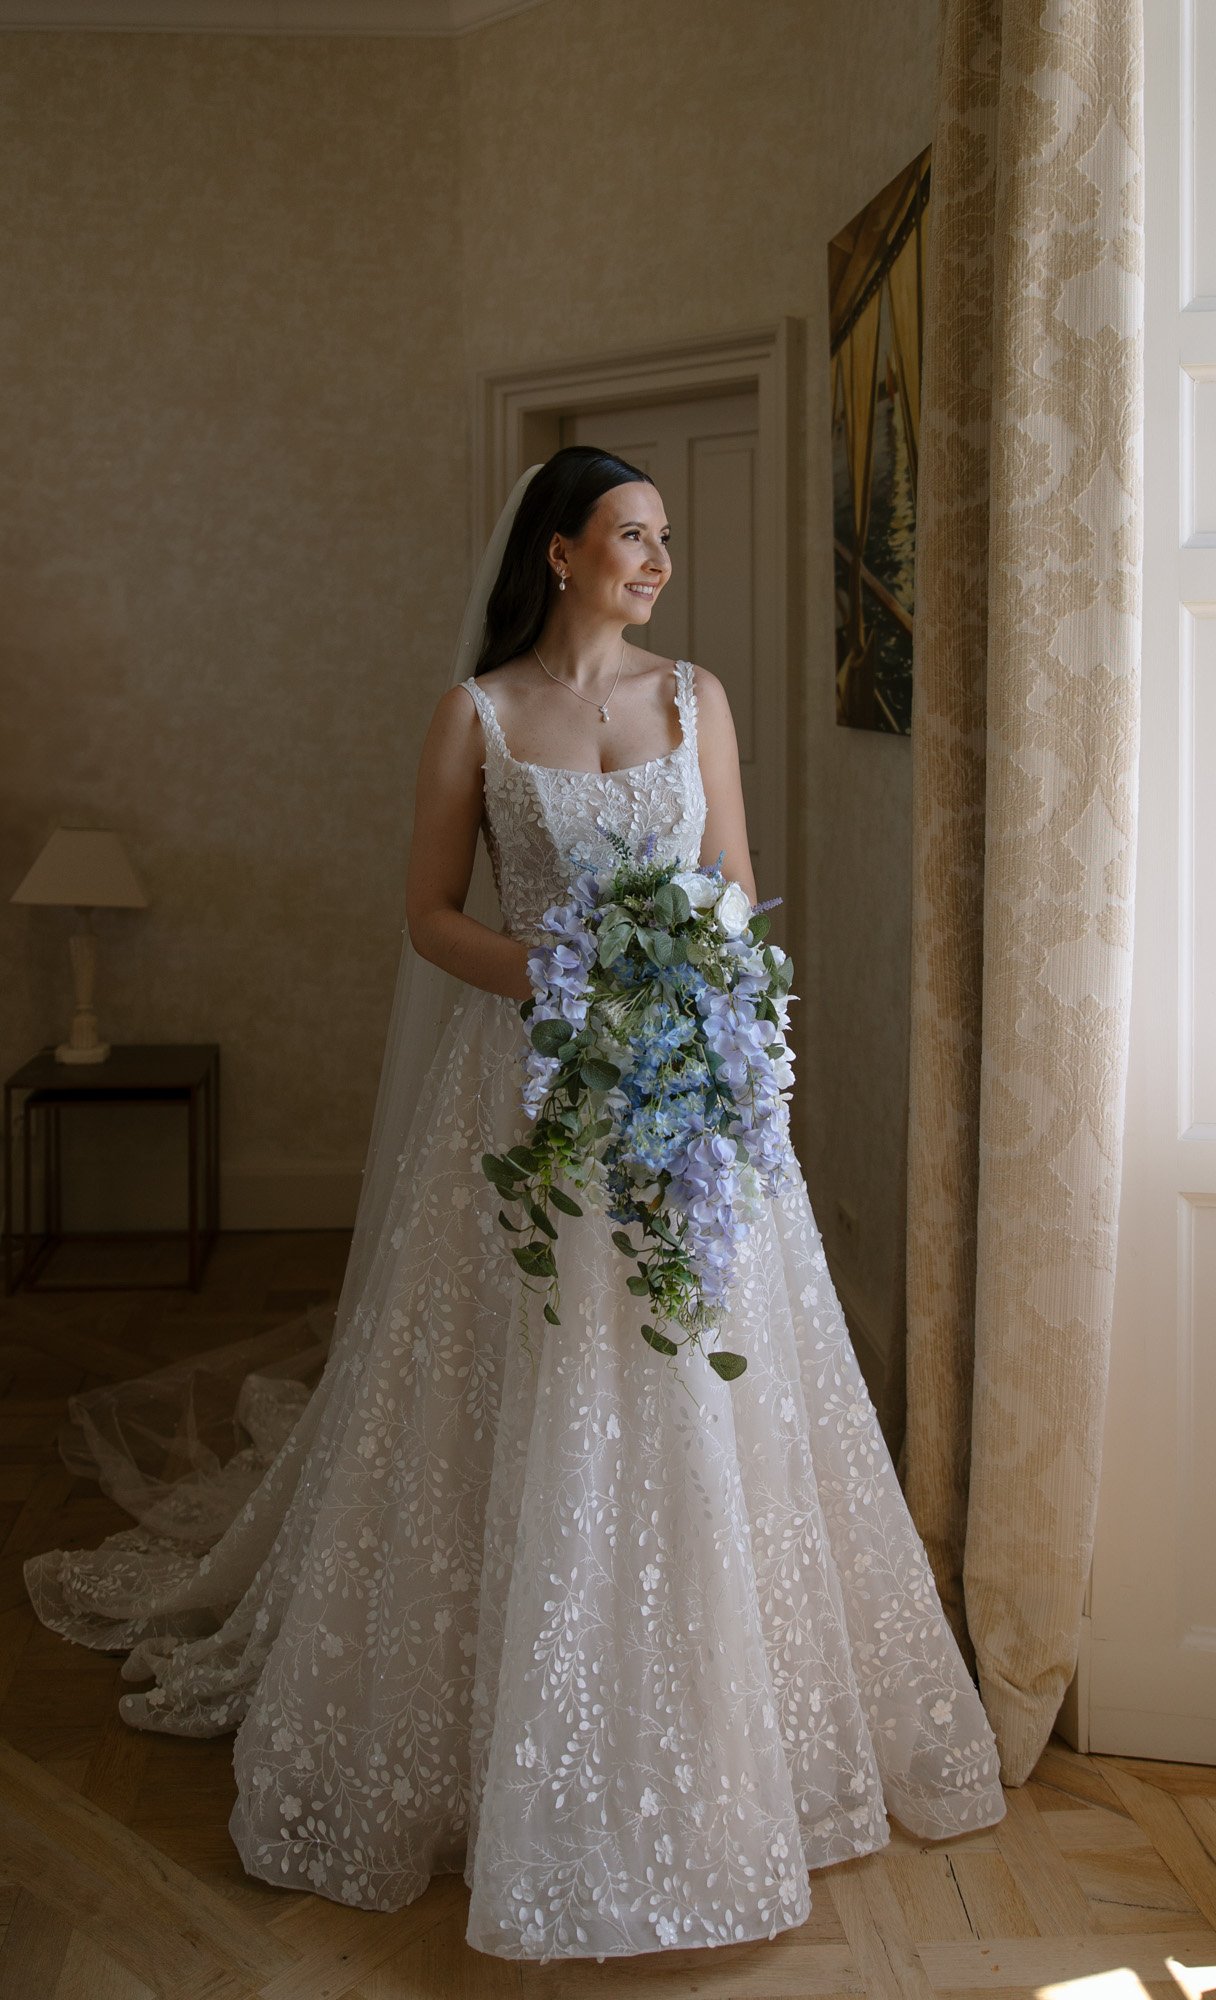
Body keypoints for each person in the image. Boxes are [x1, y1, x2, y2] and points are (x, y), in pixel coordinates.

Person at [23, 447, 1005, 1964]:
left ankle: (728, 1727)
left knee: (691, 1381)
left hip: (682, 1095)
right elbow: (427, 917)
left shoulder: (698, 702)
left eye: (665, 538)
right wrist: (574, 979)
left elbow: (735, 878)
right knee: (517, 1375)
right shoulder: (474, 715)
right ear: (556, 553)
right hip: (523, 1094)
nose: (658, 560)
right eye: (631, 535)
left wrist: (694, 977)